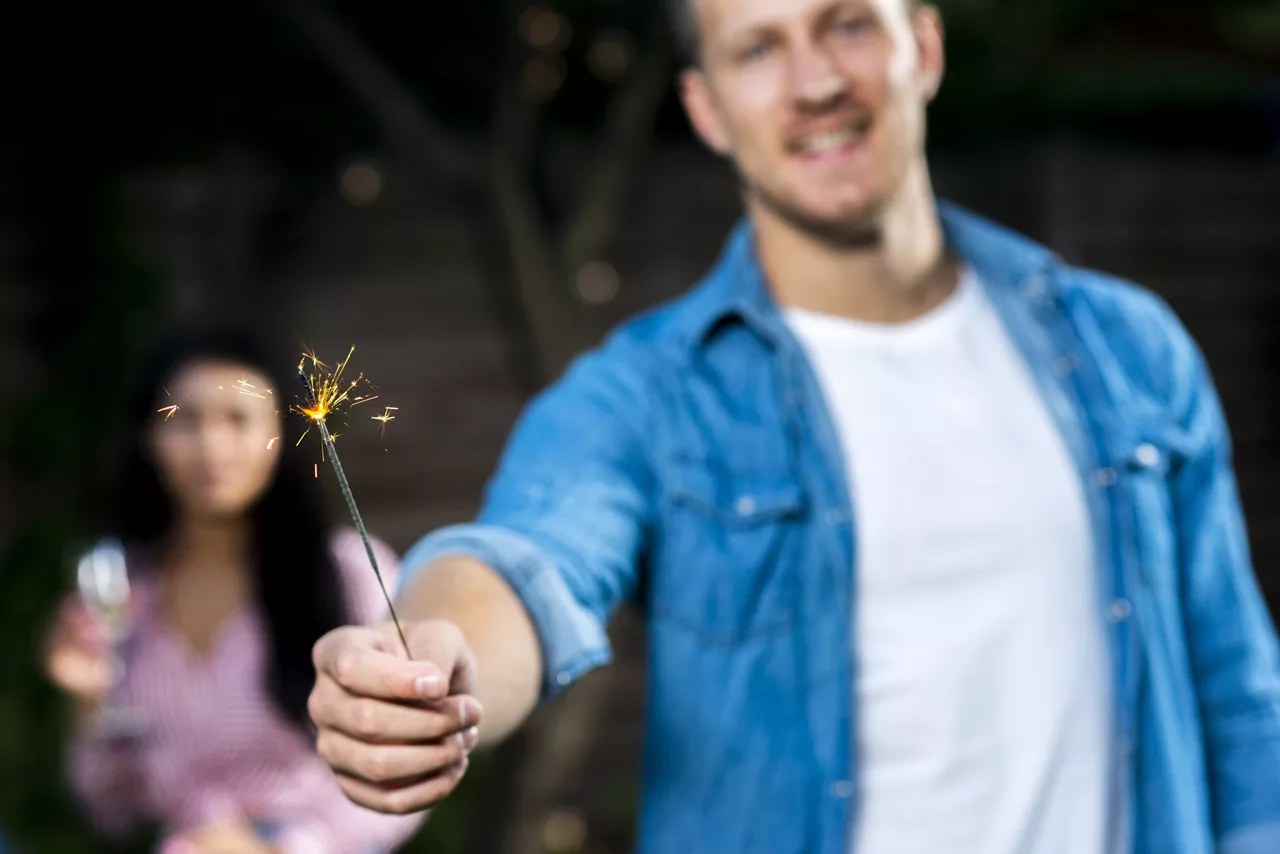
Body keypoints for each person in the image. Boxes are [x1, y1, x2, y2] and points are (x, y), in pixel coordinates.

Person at [305, 0, 1280, 852]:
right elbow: (529, 556)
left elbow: (1238, 700)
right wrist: (433, 661)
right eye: (757, 48)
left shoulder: (1126, 346)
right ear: (705, 108)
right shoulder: (646, 396)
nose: (813, 82)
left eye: (847, 23)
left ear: (923, 47)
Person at [44, 328, 425, 854]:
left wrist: (288, 847)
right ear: (148, 438)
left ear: (281, 434)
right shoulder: (123, 589)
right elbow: (111, 810)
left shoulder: (349, 571)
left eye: (238, 419)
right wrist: (88, 703)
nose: (211, 446)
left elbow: (408, 756)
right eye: (184, 420)